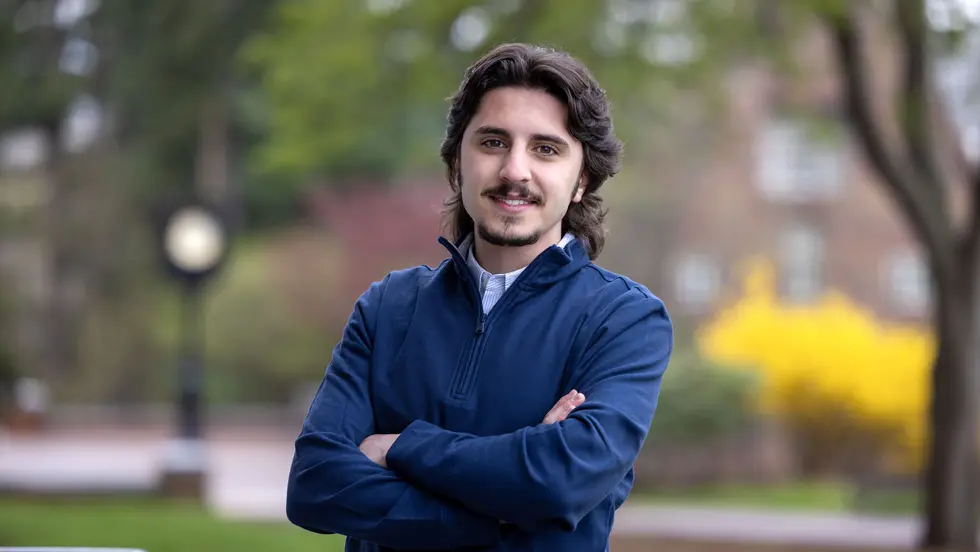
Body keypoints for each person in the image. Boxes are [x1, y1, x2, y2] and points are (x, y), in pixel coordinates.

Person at [286, 42, 674, 551]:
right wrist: (509, 515)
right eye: (493, 142)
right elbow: (315, 484)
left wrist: (402, 447)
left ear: (581, 180)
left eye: (546, 149)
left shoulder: (624, 319)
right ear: (457, 163)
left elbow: (561, 479)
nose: (515, 171)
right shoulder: (387, 308)